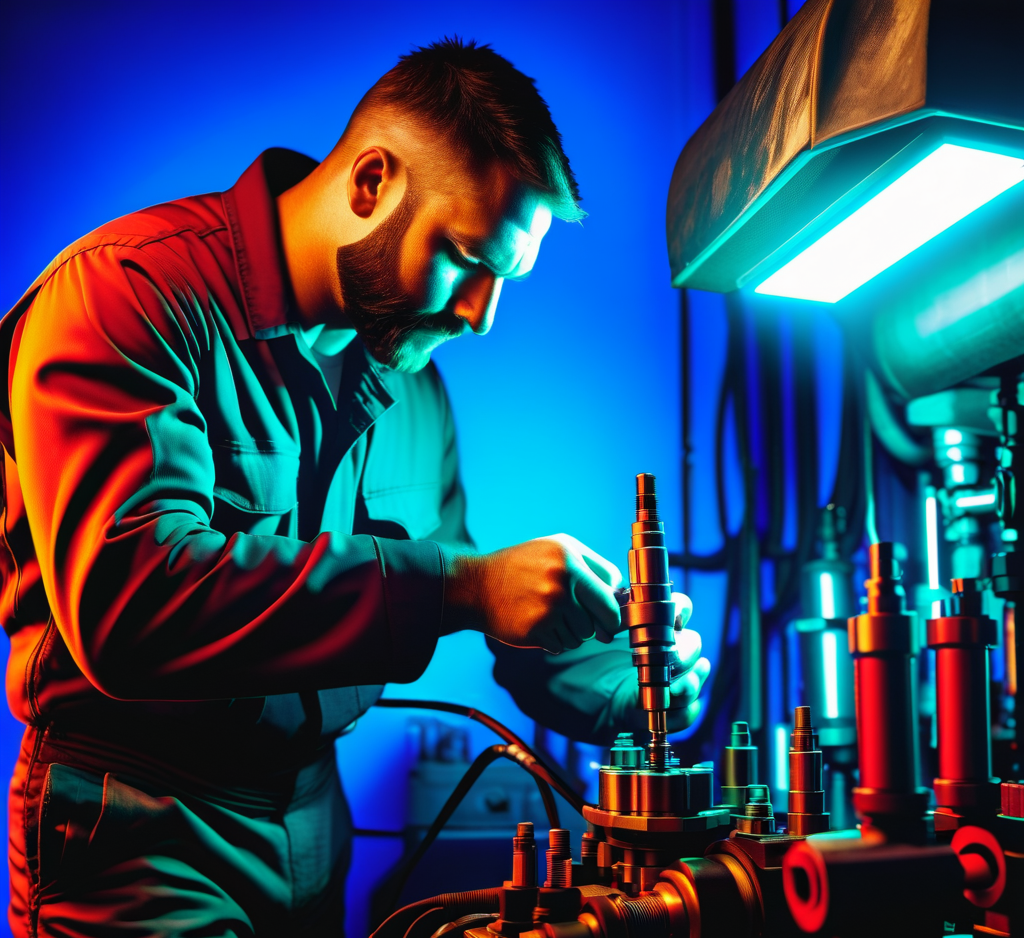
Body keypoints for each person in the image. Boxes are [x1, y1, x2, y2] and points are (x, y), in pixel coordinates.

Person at [0, 39, 709, 937]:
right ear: (371, 182)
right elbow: (135, 602)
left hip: (313, 822)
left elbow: (469, 598)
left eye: (504, 282)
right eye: (465, 258)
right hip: (139, 830)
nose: (480, 316)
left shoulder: (409, 378)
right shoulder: (128, 296)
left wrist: (624, 679)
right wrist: (465, 587)